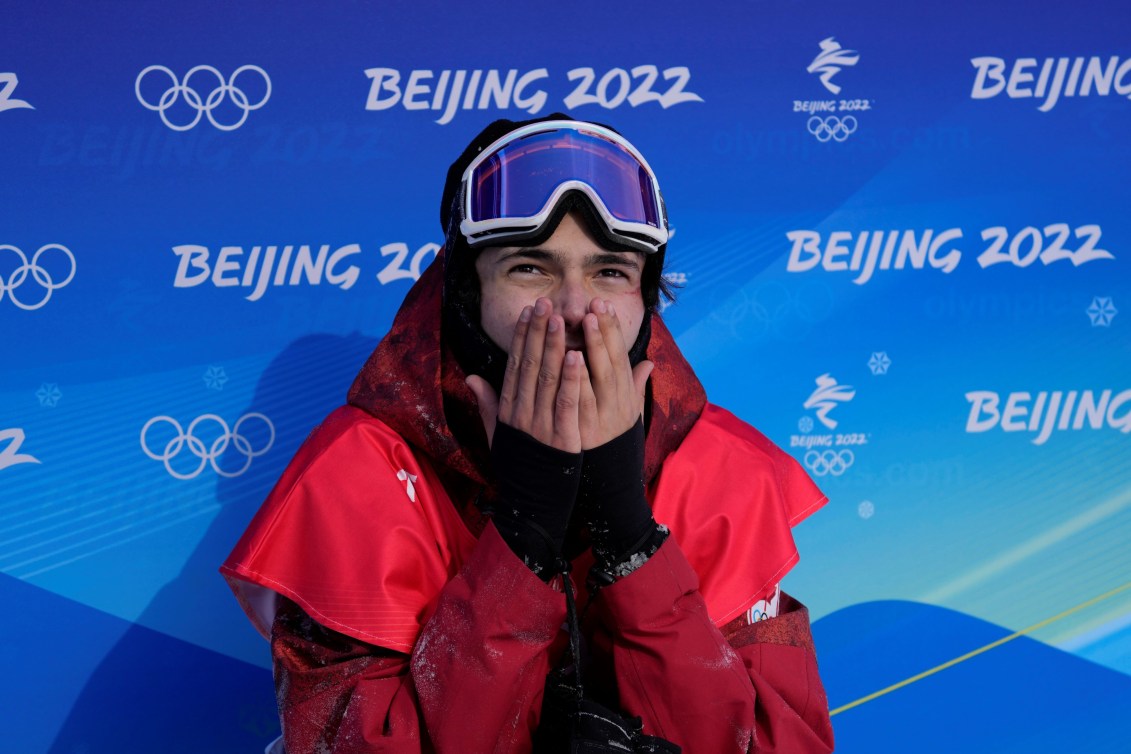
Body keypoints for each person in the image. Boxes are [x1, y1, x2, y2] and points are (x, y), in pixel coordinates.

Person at [221, 116, 835, 753]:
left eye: (610, 272)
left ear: (646, 301)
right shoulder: (357, 476)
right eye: (530, 269)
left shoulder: (721, 470)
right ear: (465, 293)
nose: (573, 308)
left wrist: (631, 538)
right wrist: (522, 534)